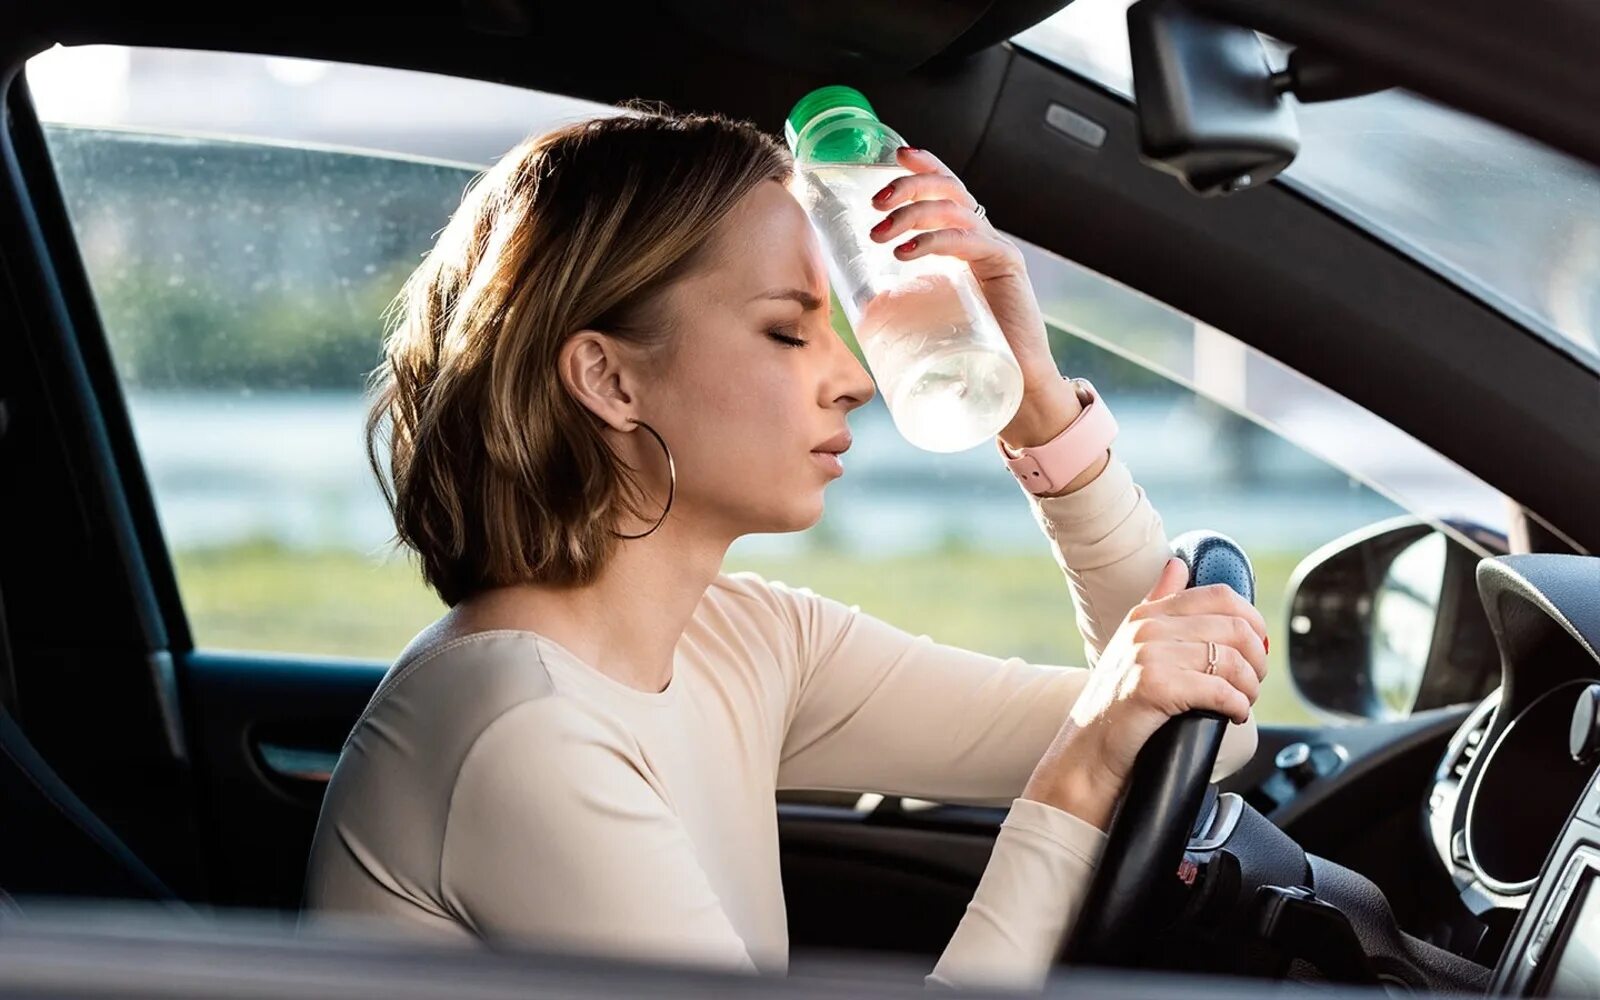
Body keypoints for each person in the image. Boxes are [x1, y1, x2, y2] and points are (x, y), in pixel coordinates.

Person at [303, 107, 1268, 991]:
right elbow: (1111, 747)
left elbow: (1206, 731)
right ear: (608, 379)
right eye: (786, 331)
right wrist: (1080, 775)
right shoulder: (520, 732)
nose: (854, 378)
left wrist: (1038, 402)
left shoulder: (746, 640)